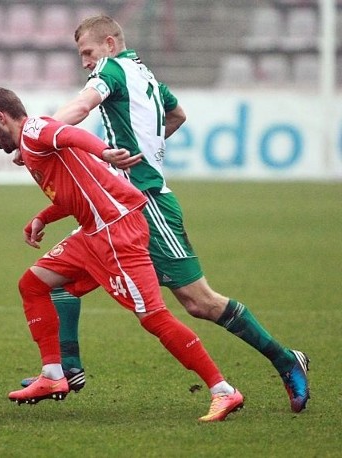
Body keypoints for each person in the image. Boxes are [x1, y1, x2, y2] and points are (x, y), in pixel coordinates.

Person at [20, 15, 310, 413]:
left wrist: (36, 136)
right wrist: (146, 150)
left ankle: (283, 359)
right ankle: (65, 369)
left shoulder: (111, 69)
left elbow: (82, 106)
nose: (86, 62)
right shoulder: (148, 76)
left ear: (108, 43)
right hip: (118, 206)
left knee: (200, 302)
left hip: (146, 204)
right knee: (56, 282)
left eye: (87, 52)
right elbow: (177, 116)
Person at [0, 86, 244, 422]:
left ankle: (223, 390)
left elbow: (69, 132)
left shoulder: (35, 131)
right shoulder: (31, 148)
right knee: (33, 284)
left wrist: (105, 152)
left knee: (153, 317)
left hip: (117, 231)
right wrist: (43, 216)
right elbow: (74, 193)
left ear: (1, 118)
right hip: (93, 232)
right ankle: (53, 375)